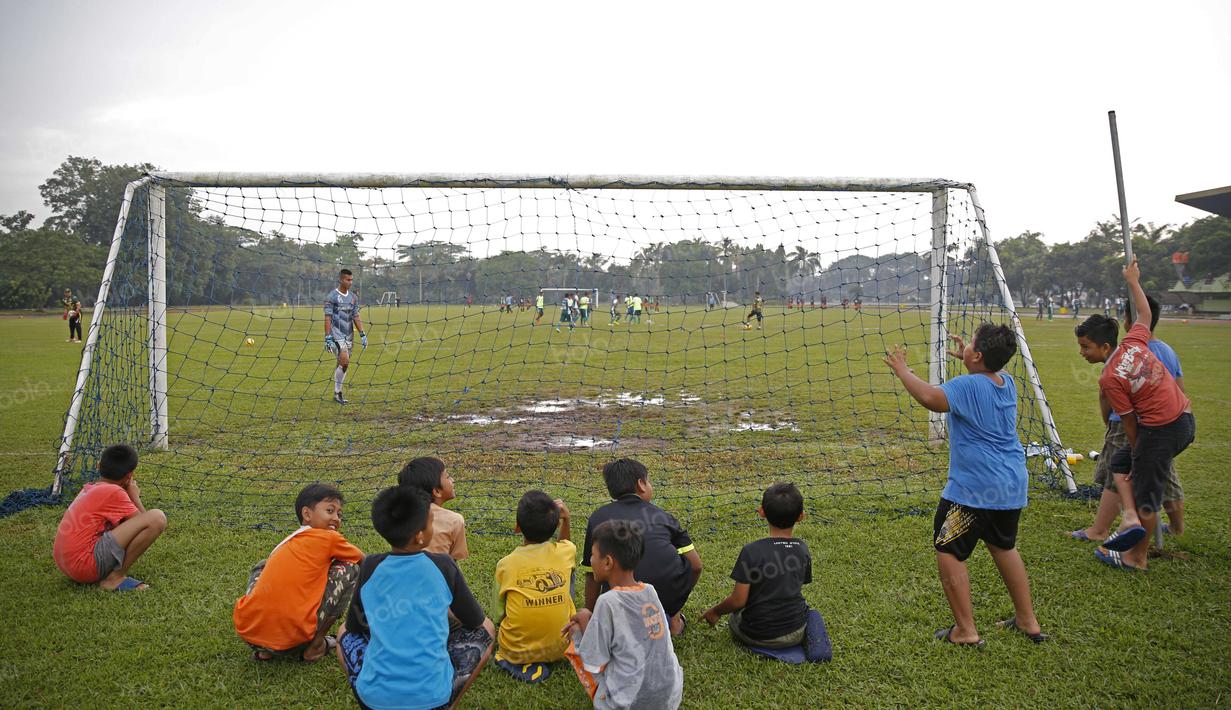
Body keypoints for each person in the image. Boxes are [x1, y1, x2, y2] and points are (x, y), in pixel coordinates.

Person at [884, 323, 1047, 646]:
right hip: (1011, 484)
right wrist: (971, 360)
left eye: (971, 344)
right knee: (1003, 546)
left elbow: (931, 397)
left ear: (979, 355)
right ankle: (1028, 621)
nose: (966, 346)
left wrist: (903, 371)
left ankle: (966, 631)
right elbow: (984, 379)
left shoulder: (966, 386)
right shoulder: (1007, 383)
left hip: (974, 490)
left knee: (948, 549)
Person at [1077, 258, 1194, 571]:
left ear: (1105, 347)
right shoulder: (1133, 341)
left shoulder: (1110, 378)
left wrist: (1138, 454)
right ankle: (1129, 517)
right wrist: (1133, 281)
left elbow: (1129, 421)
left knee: (1146, 493)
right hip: (1180, 420)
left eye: (1086, 347)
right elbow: (1144, 314)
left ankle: (1136, 558)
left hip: (1165, 429)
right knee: (1119, 462)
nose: (1082, 352)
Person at [337, 485, 494, 710]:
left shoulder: (370, 565)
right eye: (431, 521)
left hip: (373, 700)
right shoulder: (443, 565)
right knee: (487, 627)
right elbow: (474, 620)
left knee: (343, 631)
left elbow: (355, 625)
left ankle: (373, 688)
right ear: (420, 536)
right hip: (434, 698)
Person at [233, 483, 363, 662]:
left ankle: (265, 651)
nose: (336, 518)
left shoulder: (290, 541)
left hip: (249, 634)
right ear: (307, 514)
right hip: (294, 640)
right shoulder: (329, 537)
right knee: (350, 567)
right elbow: (364, 560)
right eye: (330, 510)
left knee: (262, 566)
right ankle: (315, 646)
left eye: (339, 514)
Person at [563, 520, 684, 710]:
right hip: (670, 699)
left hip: (626, 705)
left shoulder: (607, 601)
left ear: (607, 562)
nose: (590, 560)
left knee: (576, 630)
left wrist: (586, 620)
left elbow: (594, 660)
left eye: (592, 555)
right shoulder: (650, 591)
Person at [701, 483, 828, 660]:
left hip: (756, 635)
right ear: (801, 516)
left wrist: (715, 612)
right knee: (810, 612)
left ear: (761, 512)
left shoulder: (751, 551)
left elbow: (738, 601)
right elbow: (799, 583)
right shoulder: (802, 549)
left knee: (735, 617)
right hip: (796, 632)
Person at [582, 458, 701, 637]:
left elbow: (592, 573)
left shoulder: (598, 517)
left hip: (617, 606)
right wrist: (676, 601)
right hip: (661, 605)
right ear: (641, 484)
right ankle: (673, 621)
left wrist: (590, 615)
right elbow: (696, 566)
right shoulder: (664, 517)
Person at [52, 443, 167, 591]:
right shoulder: (114, 492)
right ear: (129, 475)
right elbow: (144, 524)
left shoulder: (89, 488)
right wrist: (134, 496)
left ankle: (108, 572)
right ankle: (115, 578)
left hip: (68, 566)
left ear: (98, 465)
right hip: (84, 566)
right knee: (157, 518)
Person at [492, 491, 576, 683]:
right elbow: (566, 544)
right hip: (563, 646)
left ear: (517, 527)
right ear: (556, 525)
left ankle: (514, 661)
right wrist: (566, 520)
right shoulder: (567, 552)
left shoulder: (505, 565)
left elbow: (497, 615)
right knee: (569, 570)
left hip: (515, 650)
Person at [397, 456, 468, 560]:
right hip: (438, 570)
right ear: (437, 491)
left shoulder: (399, 515)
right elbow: (455, 559)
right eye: (447, 477)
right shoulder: (454, 520)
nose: (452, 480)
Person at [324, 268, 366, 405]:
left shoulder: (353, 297)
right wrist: (327, 337)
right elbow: (328, 317)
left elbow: (356, 316)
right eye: (348, 280)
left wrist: (362, 333)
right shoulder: (332, 296)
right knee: (345, 360)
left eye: (351, 280)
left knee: (343, 364)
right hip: (336, 334)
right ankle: (338, 393)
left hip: (349, 335)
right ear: (341, 280)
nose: (350, 282)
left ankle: (337, 393)